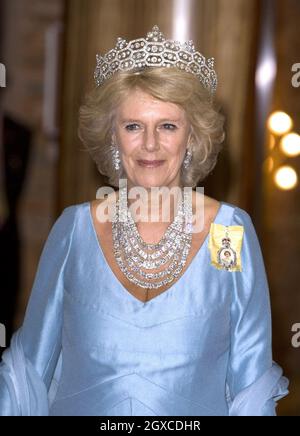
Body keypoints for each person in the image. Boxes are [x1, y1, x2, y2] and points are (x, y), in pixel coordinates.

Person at [0, 25, 289, 416]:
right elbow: (26, 378)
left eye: (167, 126)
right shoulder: (75, 230)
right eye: (133, 126)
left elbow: (251, 388)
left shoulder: (229, 231)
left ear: (192, 136)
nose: (150, 144)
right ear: (113, 136)